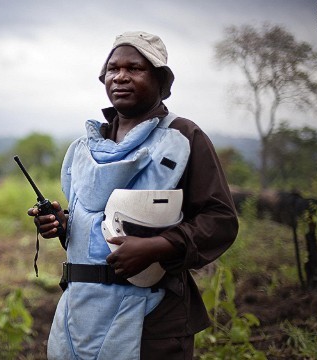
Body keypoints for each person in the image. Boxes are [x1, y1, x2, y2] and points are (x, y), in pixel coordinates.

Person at [27, 31, 238, 359]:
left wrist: (158, 246)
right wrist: (64, 225)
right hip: (82, 308)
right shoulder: (89, 147)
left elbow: (220, 219)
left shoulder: (183, 138)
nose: (120, 76)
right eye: (113, 69)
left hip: (153, 319)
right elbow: (105, 226)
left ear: (160, 78)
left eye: (135, 68)